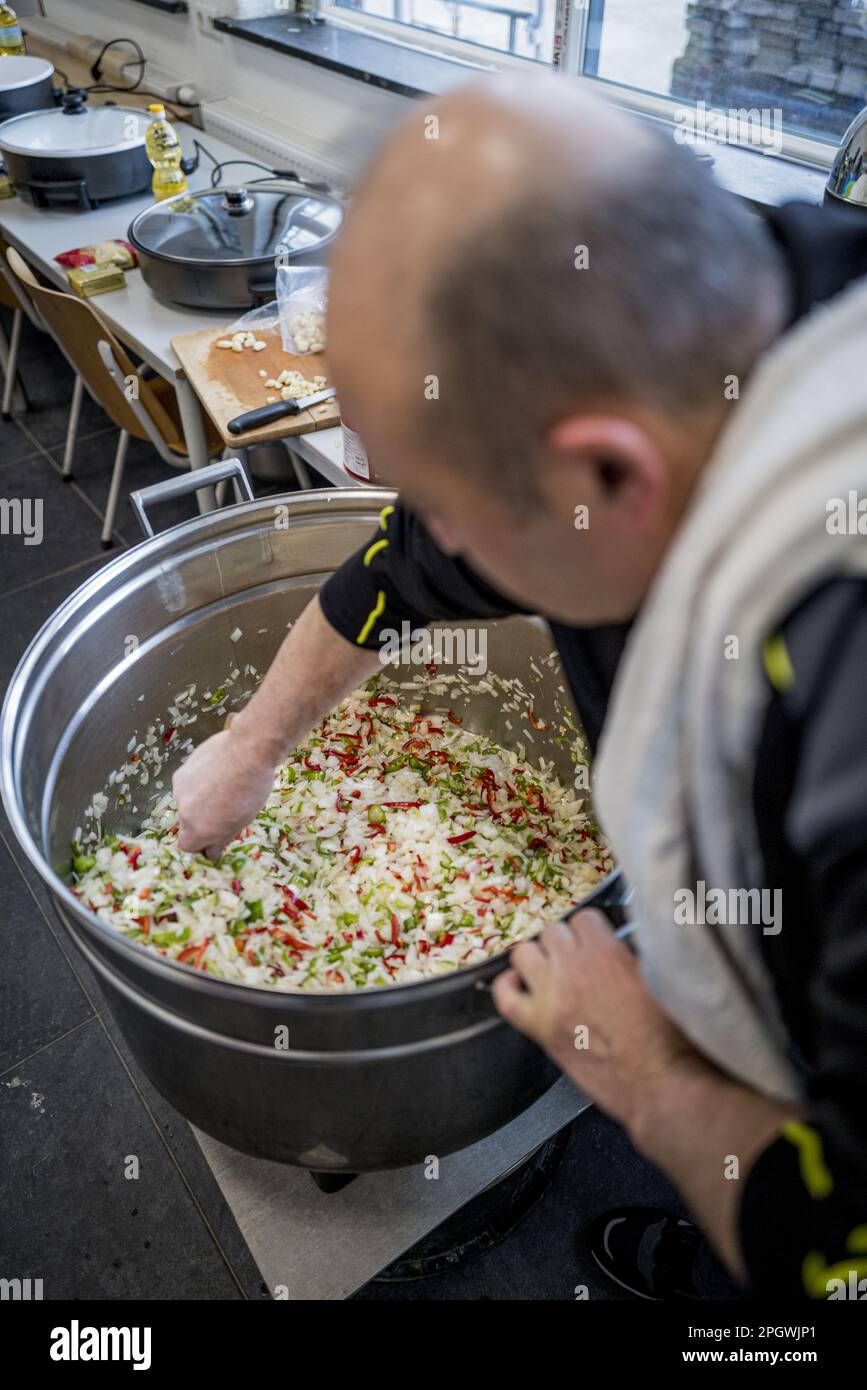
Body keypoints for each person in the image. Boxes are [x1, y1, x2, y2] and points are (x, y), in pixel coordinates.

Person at [174, 74, 867, 1300]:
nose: (434, 538)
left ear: (606, 471)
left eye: (451, 501)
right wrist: (255, 744)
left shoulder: (836, 741)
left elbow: (844, 1248)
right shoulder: (721, 301)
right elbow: (404, 569)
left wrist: (640, 1065)